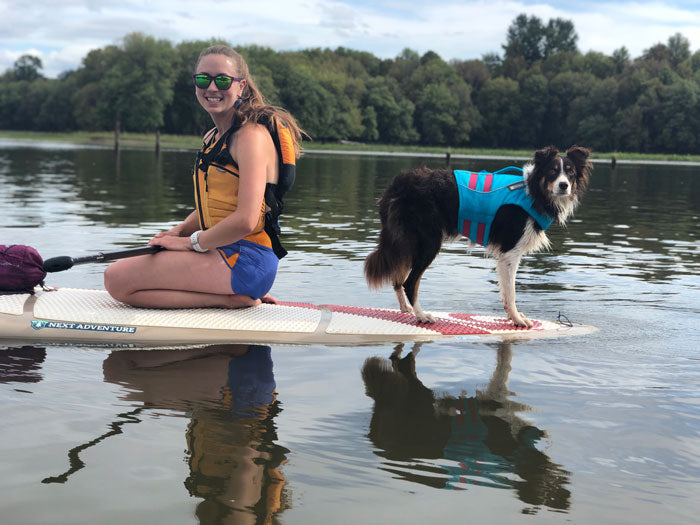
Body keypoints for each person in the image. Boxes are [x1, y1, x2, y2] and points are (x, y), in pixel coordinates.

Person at [104, 45, 303, 309]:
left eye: (222, 80)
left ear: (240, 86)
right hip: (220, 250)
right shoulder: (212, 137)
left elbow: (245, 220)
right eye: (203, 78)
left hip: (247, 259)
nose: (211, 87)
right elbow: (213, 207)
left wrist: (189, 243)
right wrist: (177, 232)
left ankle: (235, 300)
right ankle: (231, 295)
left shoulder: (250, 137)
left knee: (115, 280)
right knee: (121, 276)